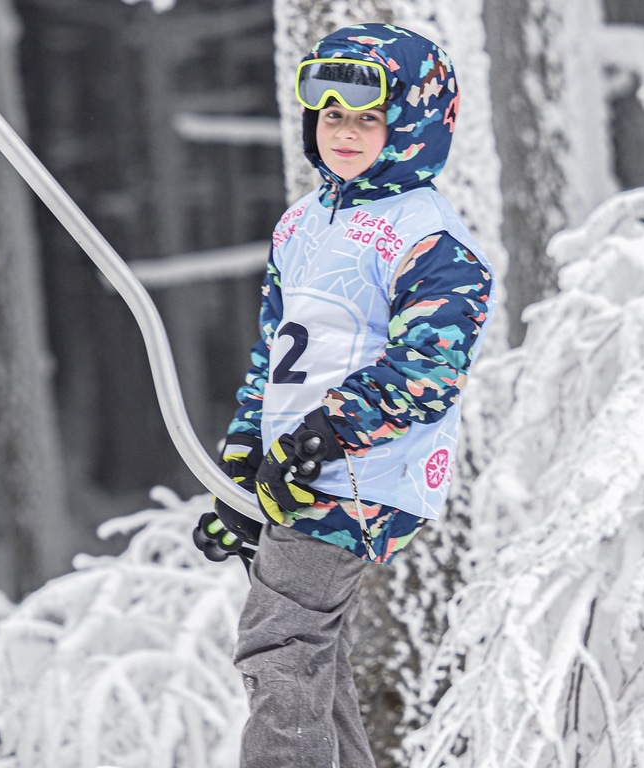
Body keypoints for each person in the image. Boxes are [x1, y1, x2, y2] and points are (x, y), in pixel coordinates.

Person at [195, 23, 494, 768]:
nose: (346, 132)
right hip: (301, 464)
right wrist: (244, 462)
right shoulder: (302, 223)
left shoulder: (430, 238)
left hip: (360, 469)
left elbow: (429, 368)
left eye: (369, 117)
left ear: (412, 128)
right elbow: (276, 351)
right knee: (311, 659)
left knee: (280, 641)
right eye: (332, 115)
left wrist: (324, 434)